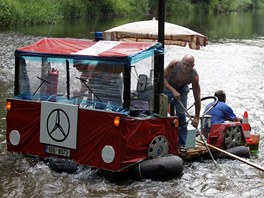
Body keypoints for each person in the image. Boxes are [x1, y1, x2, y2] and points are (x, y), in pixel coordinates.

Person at [164, 54, 201, 147]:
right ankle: (164, 137)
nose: (184, 67)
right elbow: (162, 78)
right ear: (181, 62)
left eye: (188, 65)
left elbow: (197, 96)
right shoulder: (173, 65)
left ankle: (182, 144)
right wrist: (173, 90)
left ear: (192, 66)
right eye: (183, 64)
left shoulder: (194, 76)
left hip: (182, 89)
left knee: (181, 113)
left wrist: (196, 117)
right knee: (161, 110)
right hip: (167, 86)